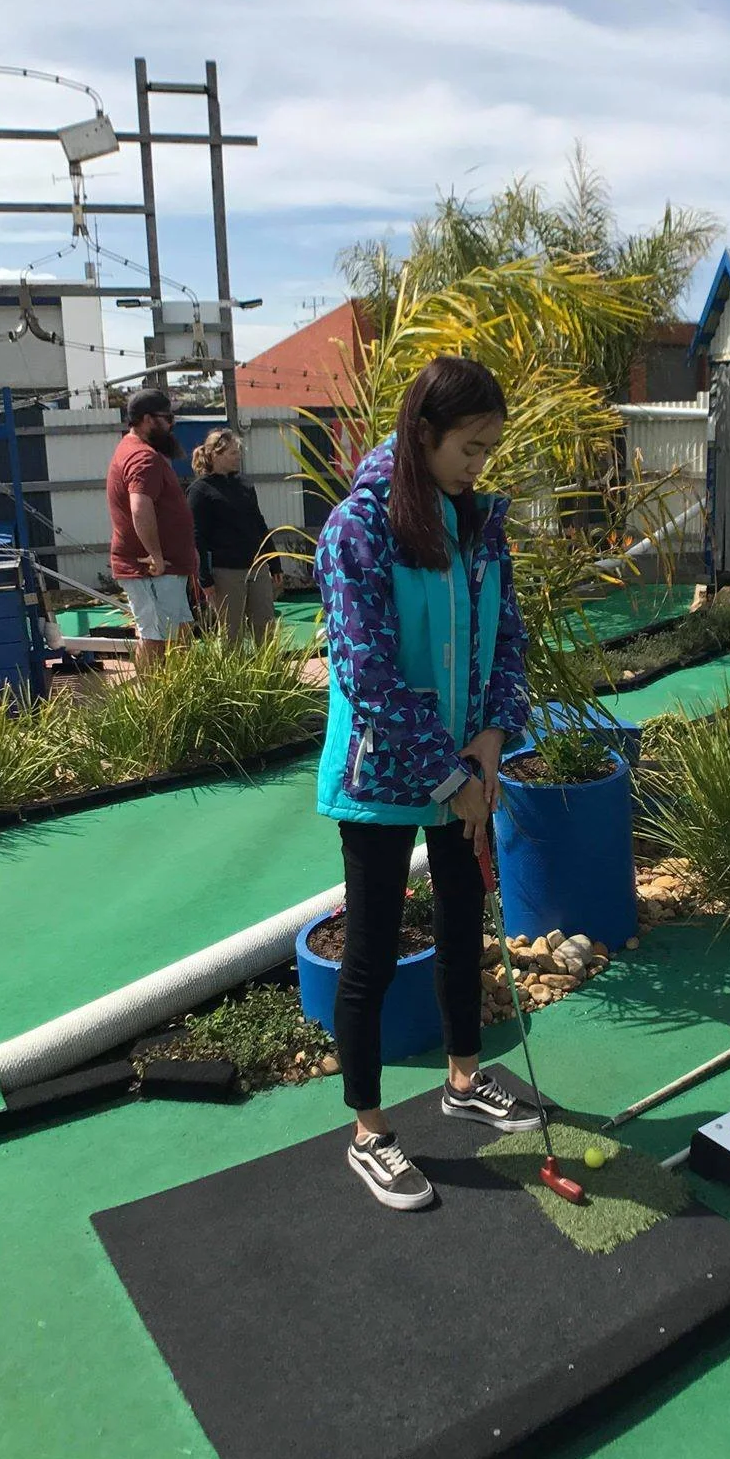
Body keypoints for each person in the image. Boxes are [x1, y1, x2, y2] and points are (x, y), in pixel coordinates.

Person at [315, 355, 539, 1210]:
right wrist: (449, 777)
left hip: (463, 769)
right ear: (422, 434)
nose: (478, 466)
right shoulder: (358, 528)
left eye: (488, 451)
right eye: (468, 449)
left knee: (459, 924)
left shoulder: (481, 525)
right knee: (371, 950)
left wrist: (488, 742)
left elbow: (505, 640)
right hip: (384, 777)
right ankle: (370, 1133)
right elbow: (365, 675)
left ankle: (463, 1079)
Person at [105, 387, 198, 667]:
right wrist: (156, 556)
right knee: (156, 639)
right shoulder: (143, 457)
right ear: (147, 419)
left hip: (164, 568)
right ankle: (153, 701)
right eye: (167, 418)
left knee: (178, 636)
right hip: (153, 568)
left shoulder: (133, 450)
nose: (171, 425)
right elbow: (139, 506)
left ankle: (178, 698)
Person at [187, 429, 283, 643]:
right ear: (215, 455)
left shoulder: (245, 484)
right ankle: (234, 676)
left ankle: (269, 674)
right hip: (226, 571)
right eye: (232, 453)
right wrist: (205, 576)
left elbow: (259, 523)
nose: (238, 456)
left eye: (238, 452)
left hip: (257, 566)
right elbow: (197, 536)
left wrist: (274, 561)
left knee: (265, 625)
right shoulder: (200, 491)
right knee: (231, 631)